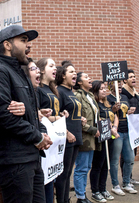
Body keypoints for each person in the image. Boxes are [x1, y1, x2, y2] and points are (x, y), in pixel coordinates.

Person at [0, 25, 52, 203]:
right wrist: (37, 137)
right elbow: (5, 116)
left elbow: (33, 112)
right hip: (13, 162)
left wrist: (41, 133)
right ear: (7, 45)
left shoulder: (22, 74)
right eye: (23, 40)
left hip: (32, 158)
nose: (27, 45)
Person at [36, 57, 69, 203]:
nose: (55, 68)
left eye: (55, 66)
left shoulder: (52, 89)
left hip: (56, 140)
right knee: (45, 179)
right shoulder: (37, 90)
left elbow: (54, 112)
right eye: (51, 65)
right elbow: (38, 115)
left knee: (53, 177)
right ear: (42, 70)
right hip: (45, 139)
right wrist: (56, 119)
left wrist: (61, 115)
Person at [54, 61, 84, 203]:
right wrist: (66, 132)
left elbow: (71, 112)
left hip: (76, 137)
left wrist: (80, 118)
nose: (75, 74)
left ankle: (66, 199)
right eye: (71, 72)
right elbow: (57, 116)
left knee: (68, 174)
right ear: (63, 75)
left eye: (75, 72)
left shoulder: (71, 92)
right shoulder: (59, 91)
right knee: (63, 175)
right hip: (67, 138)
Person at [89, 80, 119, 203]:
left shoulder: (108, 103)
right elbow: (98, 119)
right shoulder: (95, 104)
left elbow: (115, 116)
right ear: (95, 90)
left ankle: (103, 189)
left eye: (105, 88)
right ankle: (95, 191)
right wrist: (110, 128)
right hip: (100, 139)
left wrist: (115, 127)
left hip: (109, 138)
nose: (104, 90)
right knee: (98, 165)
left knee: (106, 165)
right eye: (101, 89)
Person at [73, 72, 99, 203]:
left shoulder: (90, 95)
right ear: (79, 82)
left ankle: (83, 194)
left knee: (87, 167)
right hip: (84, 137)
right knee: (81, 168)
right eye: (86, 77)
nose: (90, 78)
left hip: (92, 138)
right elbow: (78, 119)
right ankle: (80, 197)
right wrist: (93, 130)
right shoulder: (77, 96)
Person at [107, 80, 137, 195]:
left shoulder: (124, 97)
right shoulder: (109, 98)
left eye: (120, 86)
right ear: (111, 86)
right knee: (114, 160)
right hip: (117, 133)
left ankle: (127, 182)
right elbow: (108, 114)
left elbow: (125, 112)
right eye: (117, 85)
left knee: (130, 159)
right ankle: (115, 185)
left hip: (127, 131)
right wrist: (113, 109)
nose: (119, 87)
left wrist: (129, 112)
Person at [120, 69, 139, 185]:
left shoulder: (135, 92)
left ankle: (130, 177)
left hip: (134, 127)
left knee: (133, 153)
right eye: (131, 77)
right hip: (126, 127)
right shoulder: (123, 93)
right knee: (126, 155)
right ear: (125, 80)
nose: (133, 78)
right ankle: (126, 178)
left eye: (134, 76)